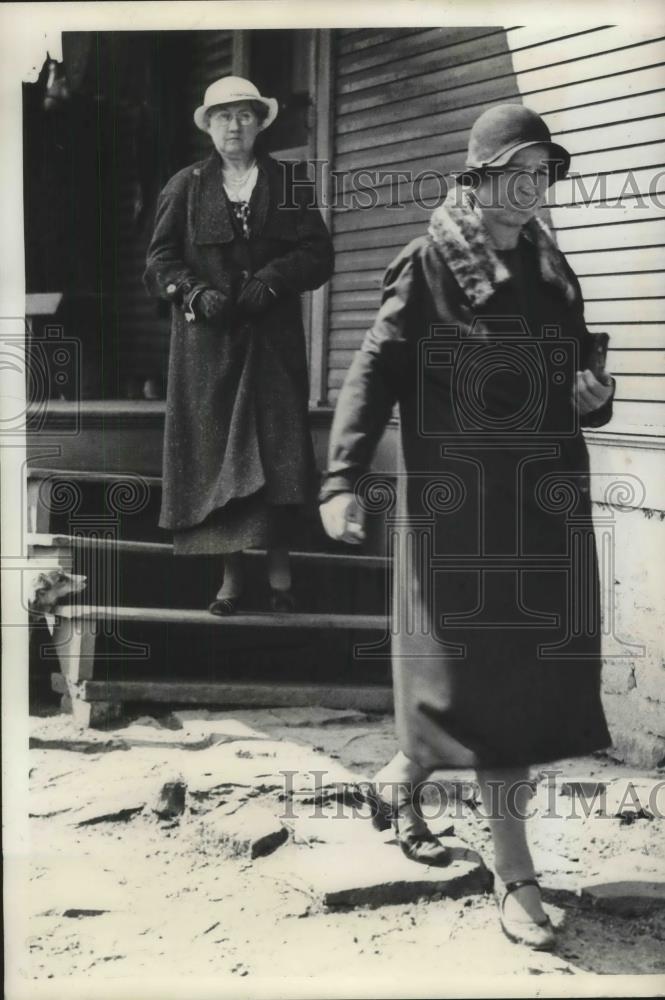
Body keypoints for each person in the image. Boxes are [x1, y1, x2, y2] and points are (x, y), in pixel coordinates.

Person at [319, 104, 615, 950]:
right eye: (517, 174)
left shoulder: (552, 268)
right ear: (477, 178)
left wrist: (593, 400)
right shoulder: (428, 263)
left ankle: (401, 777)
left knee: (513, 675)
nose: (532, 190)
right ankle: (513, 872)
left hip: (542, 500)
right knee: (490, 685)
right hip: (462, 505)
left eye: (543, 175)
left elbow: (576, 377)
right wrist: (341, 477)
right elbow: (372, 370)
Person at [144, 76, 333, 614]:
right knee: (217, 454)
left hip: (272, 344)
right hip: (209, 349)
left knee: (278, 452)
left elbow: (319, 254)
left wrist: (274, 278)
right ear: (209, 125)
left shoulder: (290, 181)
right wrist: (194, 291)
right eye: (224, 116)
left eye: (245, 115)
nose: (235, 125)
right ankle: (230, 580)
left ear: (259, 122)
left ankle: (280, 577)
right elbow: (158, 263)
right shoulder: (184, 186)